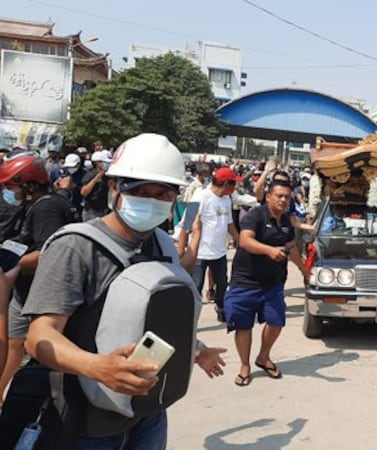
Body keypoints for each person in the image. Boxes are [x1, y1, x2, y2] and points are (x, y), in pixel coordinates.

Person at [19, 133, 225, 448]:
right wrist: (96, 366)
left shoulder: (162, 244)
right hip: (87, 423)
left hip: (149, 414)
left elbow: (153, 318)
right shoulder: (75, 247)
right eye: (140, 191)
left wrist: (197, 349)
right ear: (114, 188)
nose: (152, 201)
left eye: (163, 194)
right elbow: (39, 337)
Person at [0, 153, 78, 407]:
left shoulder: (45, 208)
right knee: (13, 343)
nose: (9, 191)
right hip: (24, 289)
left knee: (18, 344)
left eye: (12, 185)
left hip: (39, 292)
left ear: (29, 184)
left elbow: (50, 250)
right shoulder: (35, 204)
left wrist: (15, 264)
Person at [226, 179, 309, 386]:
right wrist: (270, 250)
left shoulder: (287, 222)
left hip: (272, 282)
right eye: (279, 196)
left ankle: (263, 357)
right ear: (269, 196)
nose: (283, 200)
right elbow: (244, 241)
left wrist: (304, 269)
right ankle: (245, 366)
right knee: (243, 325)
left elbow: (291, 246)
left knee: (276, 321)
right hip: (245, 281)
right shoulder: (256, 215)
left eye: (287, 197)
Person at [180, 166, 241, 322]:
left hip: (219, 253)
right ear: (226, 184)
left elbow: (229, 223)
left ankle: (221, 308)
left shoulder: (227, 199)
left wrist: (239, 240)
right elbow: (187, 224)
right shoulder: (199, 197)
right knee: (196, 286)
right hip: (199, 253)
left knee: (222, 283)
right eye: (233, 184)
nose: (235, 187)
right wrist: (181, 250)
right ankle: (189, 317)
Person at [81, 149, 113, 221]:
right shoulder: (90, 175)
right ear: (97, 163)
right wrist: (96, 179)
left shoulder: (108, 176)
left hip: (105, 211)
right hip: (92, 212)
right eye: (104, 162)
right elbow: (84, 192)